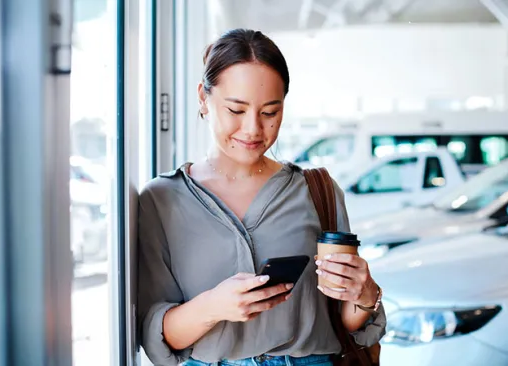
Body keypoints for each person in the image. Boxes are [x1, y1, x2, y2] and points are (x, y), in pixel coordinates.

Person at [138, 28, 386, 366]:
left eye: (270, 112)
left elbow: (347, 321)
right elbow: (159, 336)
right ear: (203, 99)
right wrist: (213, 307)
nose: (253, 129)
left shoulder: (318, 191)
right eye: (236, 111)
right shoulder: (161, 199)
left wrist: (365, 293)